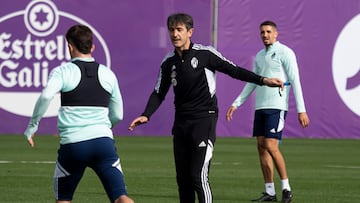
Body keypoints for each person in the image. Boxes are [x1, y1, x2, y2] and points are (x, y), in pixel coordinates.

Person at [128, 13, 284, 203]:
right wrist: (146, 114)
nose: (175, 34)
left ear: (190, 32)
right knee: (183, 181)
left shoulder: (205, 54)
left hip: (204, 120)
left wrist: (263, 80)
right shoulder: (168, 63)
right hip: (181, 124)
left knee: (197, 177)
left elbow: (234, 70)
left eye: (179, 30)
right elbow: (159, 92)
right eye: (171, 30)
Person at [24, 24, 134, 203]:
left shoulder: (62, 72)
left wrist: (32, 126)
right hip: (103, 144)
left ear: (69, 46)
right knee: (120, 197)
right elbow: (118, 115)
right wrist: (102, 128)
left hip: (74, 146)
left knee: (64, 199)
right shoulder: (108, 74)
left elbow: (45, 96)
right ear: (92, 47)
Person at [226, 21, 310, 203]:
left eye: (269, 31)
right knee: (262, 148)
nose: (265, 35)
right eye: (262, 32)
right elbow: (253, 82)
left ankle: (286, 189)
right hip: (261, 107)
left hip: (277, 106)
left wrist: (301, 110)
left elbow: (295, 81)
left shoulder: (285, 52)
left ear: (276, 34)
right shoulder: (259, 56)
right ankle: (270, 192)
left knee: (272, 146)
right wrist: (236, 103)